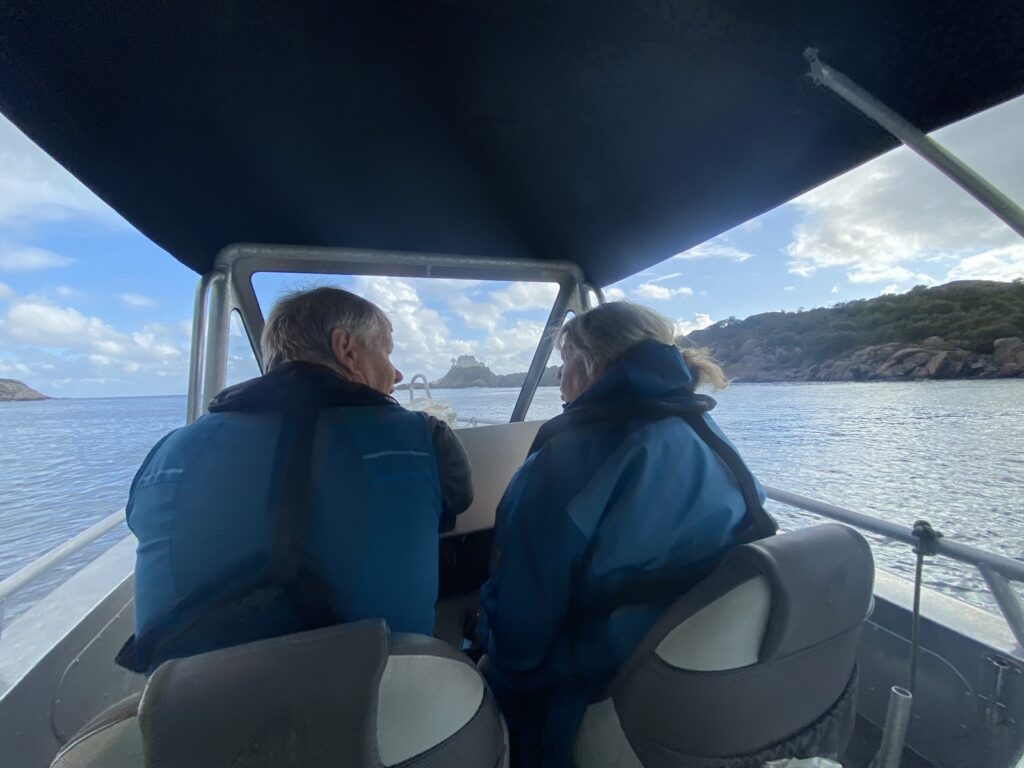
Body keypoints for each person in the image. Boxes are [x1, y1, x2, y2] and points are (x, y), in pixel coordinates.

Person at [476, 302, 773, 767]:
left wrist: (491, 657)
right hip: (701, 653)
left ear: (589, 364)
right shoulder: (705, 429)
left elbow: (522, 620)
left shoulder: (567, 457)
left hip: (603, 669)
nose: (559, 378)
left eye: (564, 362)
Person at [117, 286, 473, 674]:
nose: (397, 372)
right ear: (347, 350)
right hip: (384, 693)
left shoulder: (171, 452)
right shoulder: (424, 438)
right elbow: (454, 504)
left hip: (196, 714)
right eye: (386, 351)